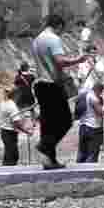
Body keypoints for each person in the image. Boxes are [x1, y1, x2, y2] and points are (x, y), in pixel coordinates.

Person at [32, 11, 89, 170]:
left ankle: (49, 161)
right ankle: (44, 146)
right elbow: (60, 61)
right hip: (52, 85)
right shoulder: (53, 39)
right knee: (65, 120)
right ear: (58, 26)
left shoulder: (37, 40)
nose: (61, 33)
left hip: (40, 85)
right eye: (61, 29)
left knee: (47, 125)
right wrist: (79, 59)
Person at [76, 71, 104, 163]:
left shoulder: (83, 94)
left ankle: (78, 172)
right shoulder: (94, 98)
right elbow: (100, 113)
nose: (100, 94)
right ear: (98, 90)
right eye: (101, 92)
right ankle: (89, 174)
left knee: (82, 152)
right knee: (92, 154)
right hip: (93, 128)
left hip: (82, 126)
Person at [0, 86, 30, 167]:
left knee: (8, 154)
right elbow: (16, 123)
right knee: (12, 156)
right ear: (16, 95)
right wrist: (27, 131)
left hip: (4, 131)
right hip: (10, 133)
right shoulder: (12, 106)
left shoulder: (3, 102)